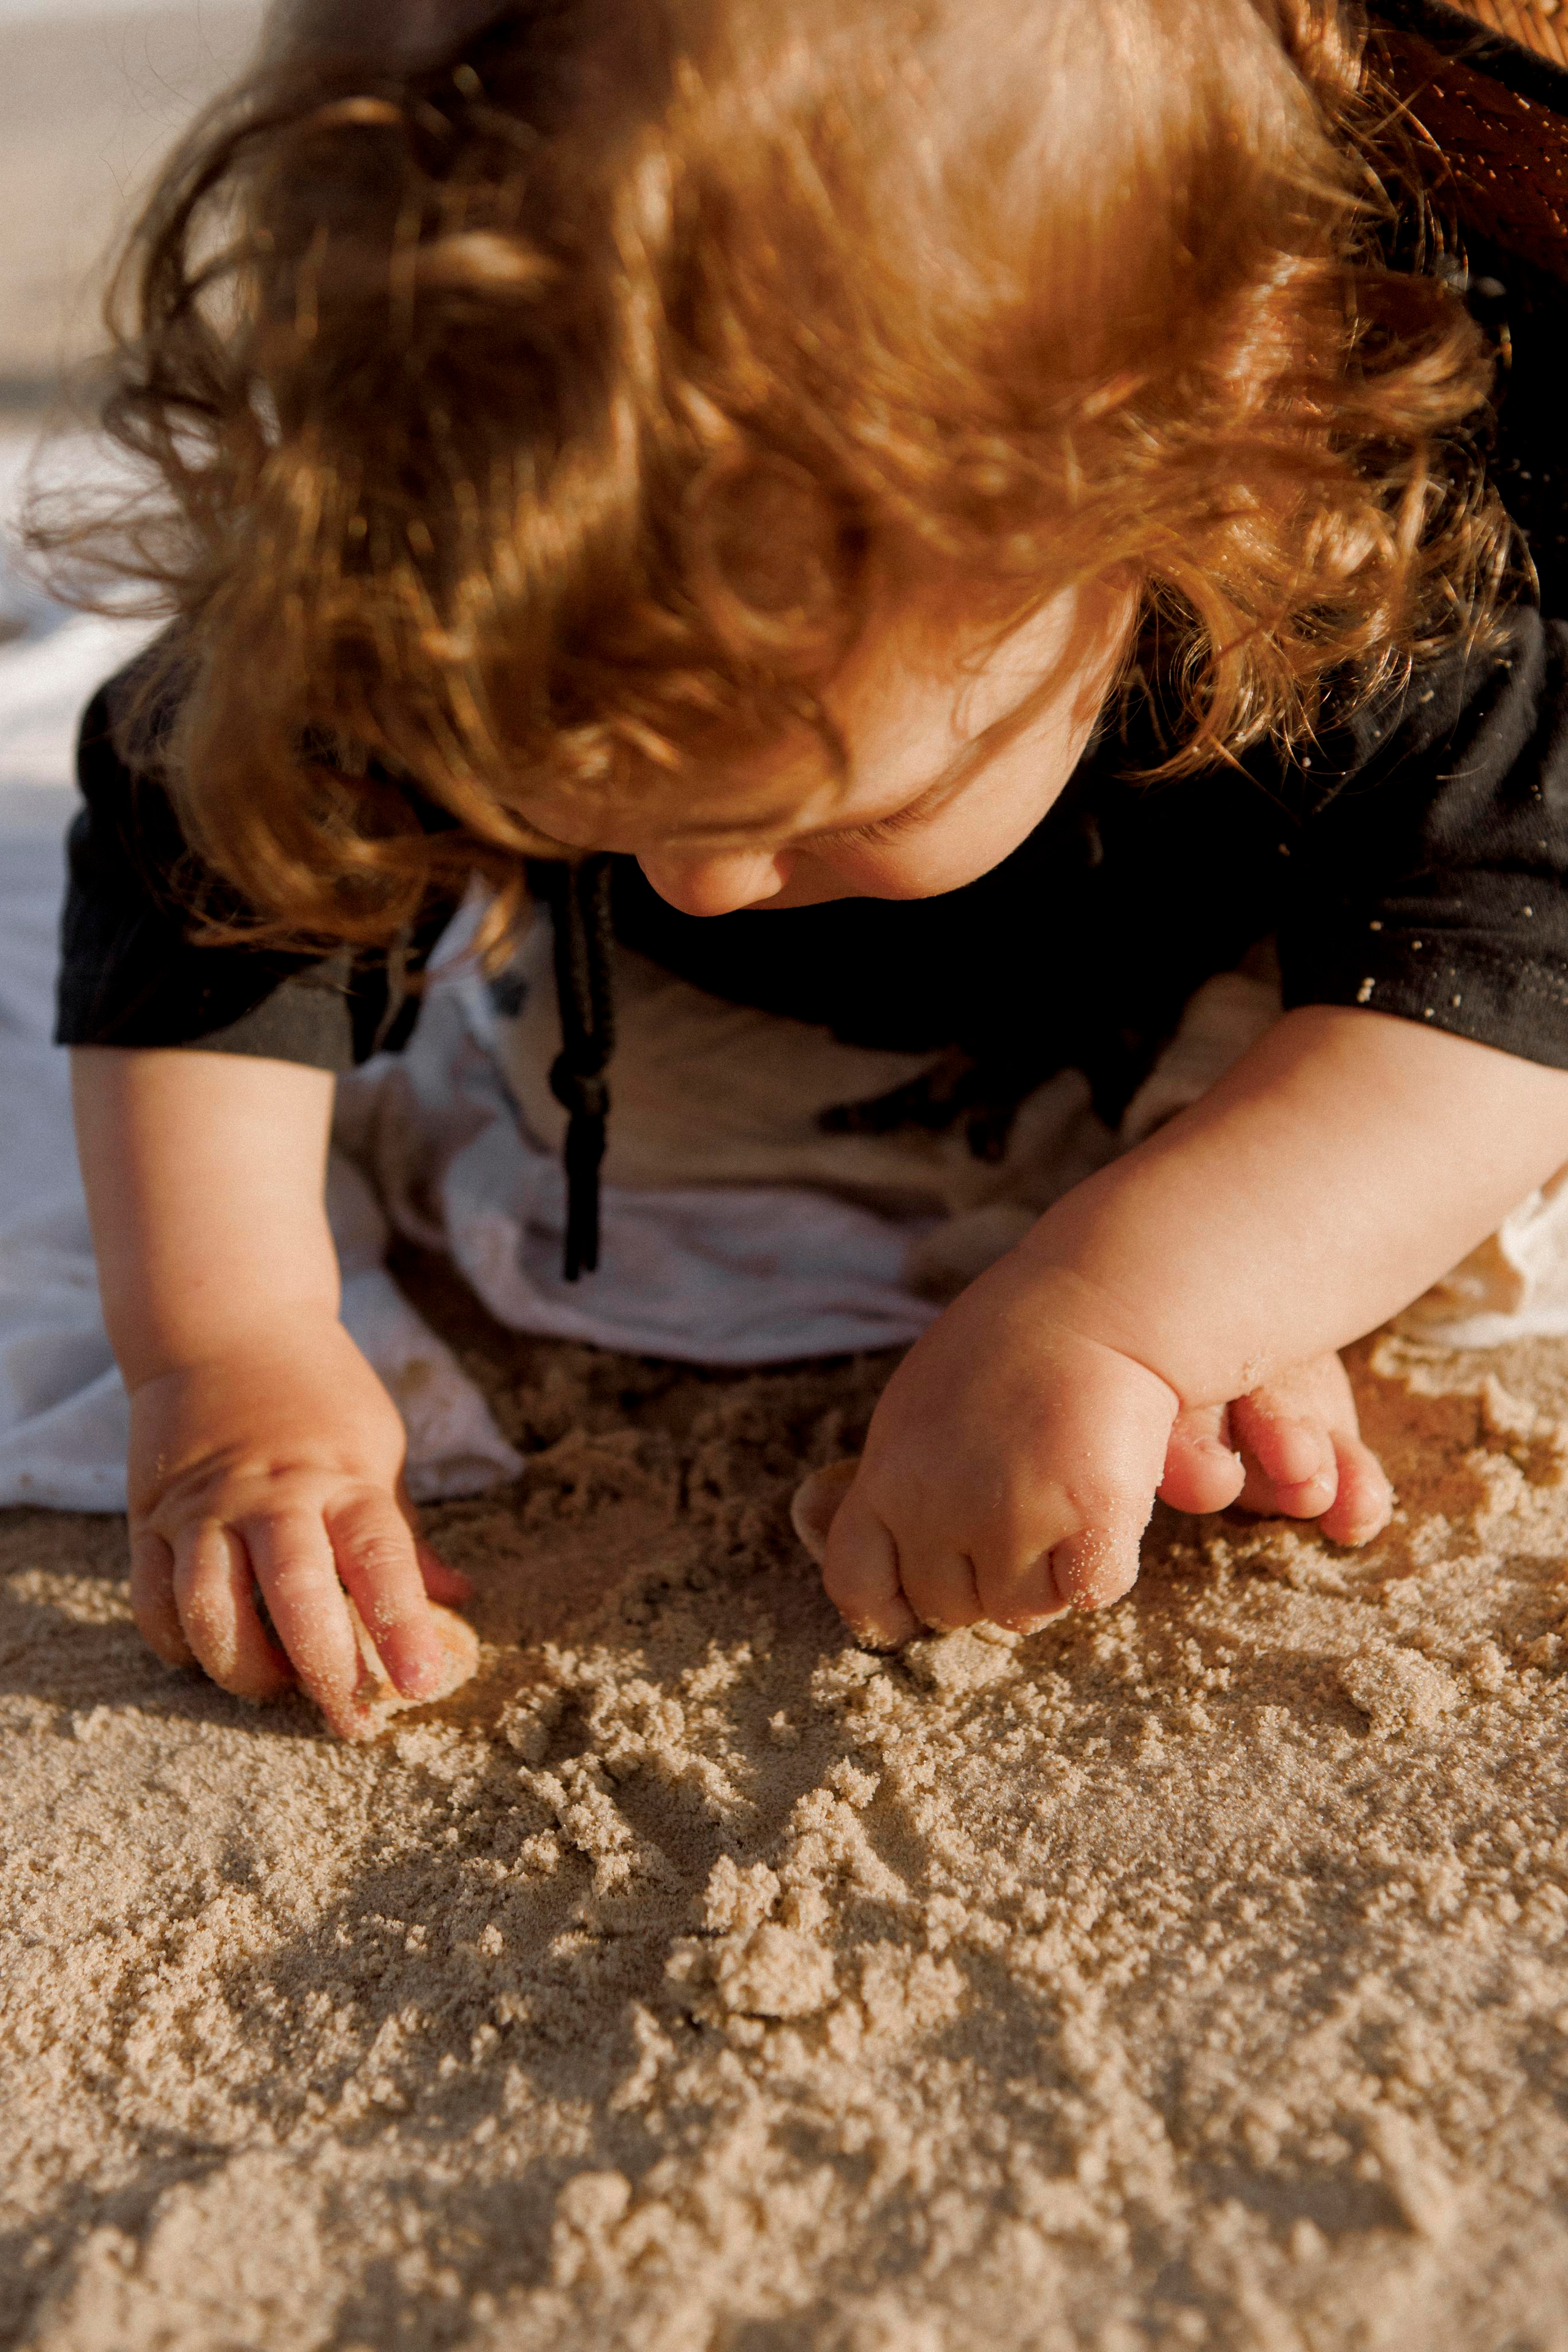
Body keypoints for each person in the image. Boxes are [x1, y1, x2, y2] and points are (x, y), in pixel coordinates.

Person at [46, 0, 1568, 1738]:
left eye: (822, 804)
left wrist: (1134, 1310)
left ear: (1193, 473)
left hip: (1245, 946)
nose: (688, 881)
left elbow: (1517, 946)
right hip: (746, 1049)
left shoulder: (1357, 558)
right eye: (586, 793)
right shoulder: (502, 537)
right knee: (638, 1138)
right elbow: (206, 847)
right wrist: (232, 1363)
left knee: (1429, 1154)